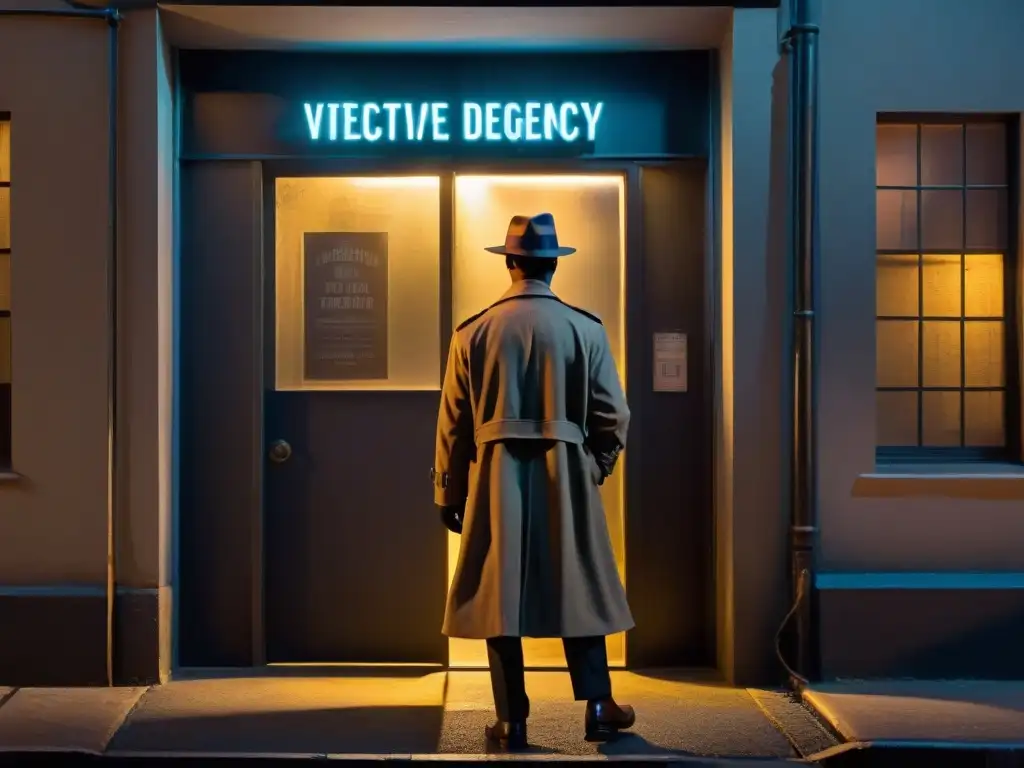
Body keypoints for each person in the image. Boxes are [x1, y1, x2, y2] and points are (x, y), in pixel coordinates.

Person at [431, 212, 635, 750]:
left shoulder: (471, 333)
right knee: (580, 584)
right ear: (551, 266)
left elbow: (453, 422)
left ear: (511, 262)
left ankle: (511, 719)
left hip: (496, 475)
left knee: (501, 594)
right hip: (565, 473)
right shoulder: (584, 328)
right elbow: (614, 416)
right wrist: (594, 465)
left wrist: (448, 491)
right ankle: (597, 705)